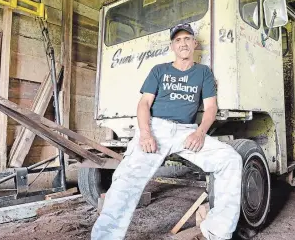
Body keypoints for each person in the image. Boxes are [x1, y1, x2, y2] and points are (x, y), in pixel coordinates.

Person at [91, 23, 243, 240]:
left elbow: (211, 108)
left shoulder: (203, 73)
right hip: (156, 127)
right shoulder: (159, 70)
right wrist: (145, 133)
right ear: (172, 45)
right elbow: (144, 104)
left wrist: (200, 133)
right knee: (126, 177)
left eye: (187, 39)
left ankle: (218, 231)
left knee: (231, 159)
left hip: (187, 131)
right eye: (178, 40)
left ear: (194, 43)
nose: (183, 43)